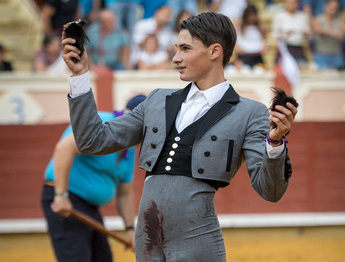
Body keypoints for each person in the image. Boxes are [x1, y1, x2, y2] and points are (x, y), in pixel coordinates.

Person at [62, 12, 298, 261]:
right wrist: (80, 77)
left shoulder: (249, 112)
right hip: (147, 241)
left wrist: (274, 143)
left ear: (214, 51)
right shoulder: (157, 100)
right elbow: (92, 140)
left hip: (198, 240)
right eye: (176, 49)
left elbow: (270, 191)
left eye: (185, 49)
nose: (176, 58)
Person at [41, 94, 146, 262]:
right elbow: (63, 150)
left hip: (89, 208)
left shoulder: (129, 148)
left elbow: (124, 192)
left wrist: (130, 229)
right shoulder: (102, 122)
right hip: (66, 199)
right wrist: (61, 195)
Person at [272, 0, 311, 67]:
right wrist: (286, 34)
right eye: (289, 3)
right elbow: (275, 34)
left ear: (297, 4)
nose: (292, 5)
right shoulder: (279, 16)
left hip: (299, 47)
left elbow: (308, 35)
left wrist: (305, 34)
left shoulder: (303, 16)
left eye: (294, 3)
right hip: (285, 48)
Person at [312, 0, 345, 70]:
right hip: (321, 55)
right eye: (331, 7)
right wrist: (334, 33)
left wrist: (344, 15)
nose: (333, 10)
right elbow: (317, 30)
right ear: (325, 7)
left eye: (335, 8)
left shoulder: (340, 21)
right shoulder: (317, 19)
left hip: (337, 55)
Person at [234, 4, 267, 71]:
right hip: (244, 56)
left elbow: (265, 38)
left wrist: (265, 46)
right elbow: (233, 37)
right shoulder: (239, 23)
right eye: (249, 15)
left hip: (257, 56)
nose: (251, 18)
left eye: (253, 15)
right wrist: (237, 47)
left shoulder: (259, 25)